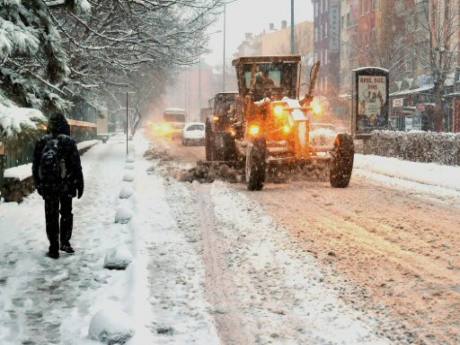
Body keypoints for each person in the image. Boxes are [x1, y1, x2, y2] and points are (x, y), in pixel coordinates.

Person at [32, 113, 84, 259]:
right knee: (66, 213)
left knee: (51, 216)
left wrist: (39, 184)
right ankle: (65, 242)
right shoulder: (69, 142)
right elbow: (76, 166)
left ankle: (53, 246)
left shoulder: (41, 142)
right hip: (66, 185)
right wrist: (79, 184)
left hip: (49, 186)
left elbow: (35, 166)